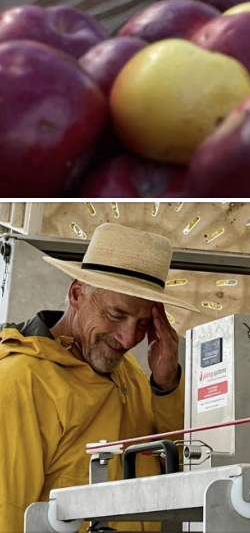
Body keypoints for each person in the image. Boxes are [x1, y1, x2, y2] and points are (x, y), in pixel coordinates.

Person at [0, 223, 195, 532]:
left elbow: (183, 468)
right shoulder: (20, 379)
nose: (129, 337)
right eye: (116, 315)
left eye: (144, 323)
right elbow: (5, 512)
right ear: (77, 293)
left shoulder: (130, 374)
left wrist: (166, 385)